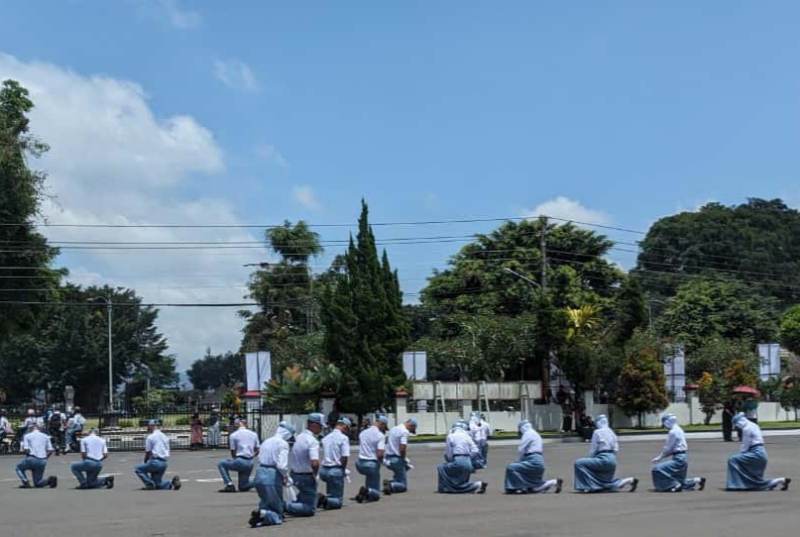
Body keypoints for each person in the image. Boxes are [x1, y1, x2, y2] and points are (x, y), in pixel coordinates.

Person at [726, 413, 790, 491]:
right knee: (754, 478)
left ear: (740, 422)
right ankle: (780, 480)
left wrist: (740, 455)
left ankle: (735, 484)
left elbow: (745, 445)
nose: (737, 427)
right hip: (761, 453)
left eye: (736, 424)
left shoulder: (746, 428)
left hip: (756, 453)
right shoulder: (754, 425)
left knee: (732, 460)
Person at [573, 415, 638, 493]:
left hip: (602, 458)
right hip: (612, 460)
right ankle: (629, 480)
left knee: (579, 463)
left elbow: (593, 449)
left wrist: (591, 458)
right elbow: (616, 449)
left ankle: (589, 486)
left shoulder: (597, 432)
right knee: (605, 483)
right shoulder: (612, 432)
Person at [249, 421, 295, 528]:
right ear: (287, 434)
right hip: (272, 476)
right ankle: (264, 514)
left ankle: (262, 515)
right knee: (278, 511)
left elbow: (260, 458)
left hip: (259, 473)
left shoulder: (266, 441)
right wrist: (286, 476)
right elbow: (282, 465)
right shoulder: (283, 444)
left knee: (265, 501)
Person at [650, 414, 705, 492]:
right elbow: (673, 449)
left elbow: (668, 448)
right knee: (678, 478)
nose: (664, 426)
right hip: (683, 457)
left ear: (667, 422)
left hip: (678, 458)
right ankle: (697, 480)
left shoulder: (672, 432)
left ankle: (673, 485)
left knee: (657, 469)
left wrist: (659, 457)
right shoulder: (679, 429)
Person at [505, 420, 562, 494]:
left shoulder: (528, 434)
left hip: (532, 461)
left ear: (522, 428)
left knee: (511, 467)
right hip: (539, 461)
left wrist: (518, 461)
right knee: (534, 488)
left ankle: (515, 487)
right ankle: (554, 482)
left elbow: (521, 449)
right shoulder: (535, 433)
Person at [285, 413, 325, 517]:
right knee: (309, 508)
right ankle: (282, 506)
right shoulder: (312, 441)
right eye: (320, 426)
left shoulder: (298, 437)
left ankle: (290, 507)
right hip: (306, 476)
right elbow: (314, 462)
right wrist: (315, 475)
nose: (321, 429)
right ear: (314, 425)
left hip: (295, 474)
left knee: (302, 499)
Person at [437, 420, 487, 494]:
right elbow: (475, 450)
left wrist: (451, 460)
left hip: (458, 460)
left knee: (441, 467)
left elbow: (448, 452)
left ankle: (444, 487)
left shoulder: (451, 436)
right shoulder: (467, 436)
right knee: (461, 481)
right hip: (468, 462)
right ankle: (477, 485)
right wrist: (469, 458)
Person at [134, 420, 181, 491]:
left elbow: (148, 452)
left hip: (155, 462)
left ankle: (149, 484)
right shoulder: (164, 436)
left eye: (148, 426)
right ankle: (171, 483)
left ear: (152, 426)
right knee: (158, 484)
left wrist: (146, 462)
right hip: (164, 463)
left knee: (138, 469)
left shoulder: (151, 437)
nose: (147, 427)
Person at [319, 416, 352, 510]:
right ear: (345, 426)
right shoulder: (343, 438)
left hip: (324, 470)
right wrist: (343, 469)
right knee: (338, 501)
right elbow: (344, 456)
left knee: (331, 491)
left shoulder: (326, 438)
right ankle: (325, 500)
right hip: (335, 469)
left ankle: (327, 501)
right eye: (348, 429)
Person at [218, 418, 259, 492]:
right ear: (246, 425)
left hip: (240, 459)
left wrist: (235, 459)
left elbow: (233, 451)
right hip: (250, 462)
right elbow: (258, 450)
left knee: (221, 463)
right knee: (243, 486)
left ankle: (229, 484)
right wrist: (252, 455)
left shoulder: (233, 435)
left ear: (236, 426)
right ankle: (259, 482)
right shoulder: (254, 434)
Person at [355, 415, 388, 503]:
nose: (384, 429)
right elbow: (380, 454)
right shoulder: (380, 435)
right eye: (384, 426)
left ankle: (365, 493)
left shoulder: (362, 433)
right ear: (382, 424)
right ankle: (368, 491)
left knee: (369, 476)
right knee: (376, 494)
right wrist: (383, 462)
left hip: (359, 463)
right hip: (371, 464)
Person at [15, 423, 57, 488]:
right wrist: (45, 458)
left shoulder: (27, 436)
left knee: (18, 468)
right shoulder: (46, 436)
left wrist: (28, 457)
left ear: (31, 429)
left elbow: (26, 449)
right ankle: (49, 480)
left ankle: (25, 482)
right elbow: (50, 450)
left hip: (32, 457)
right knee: (38, 483)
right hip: (42, 460)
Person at [383, 418, 417, 495]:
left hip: (388, 457)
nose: (410, 432)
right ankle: (391, 485)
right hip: (397, 459)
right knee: (403, 485)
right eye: (412, 430)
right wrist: (404, 459)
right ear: (411, 425)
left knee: (398, 475)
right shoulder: (404, 432)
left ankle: (391, 483)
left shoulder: (394, 428)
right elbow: (402, 448)